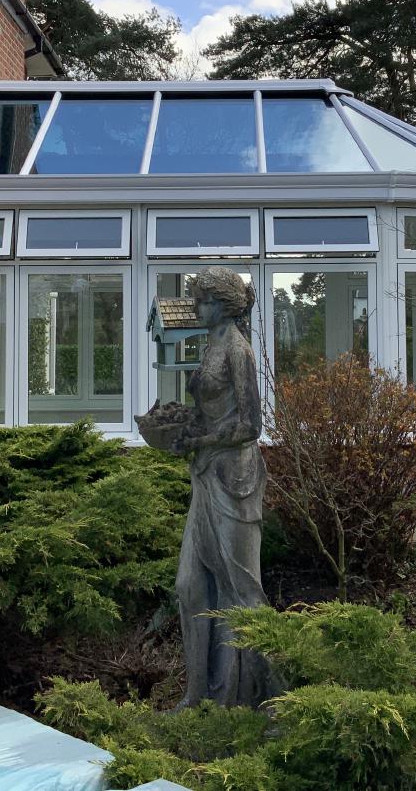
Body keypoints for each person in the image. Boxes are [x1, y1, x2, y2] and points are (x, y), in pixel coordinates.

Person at [151, 266, 276, 709]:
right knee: (190, 585)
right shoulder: (212, 344)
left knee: (241, 591)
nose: (195, 308)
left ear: (221, 304)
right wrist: (186, 427)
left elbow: (250, 425)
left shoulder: (238, 350)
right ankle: (197, 692)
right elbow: (213, 410)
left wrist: (200, 439)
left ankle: (270, 695)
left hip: (234, 479)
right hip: (205, 473)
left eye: (201, 300)